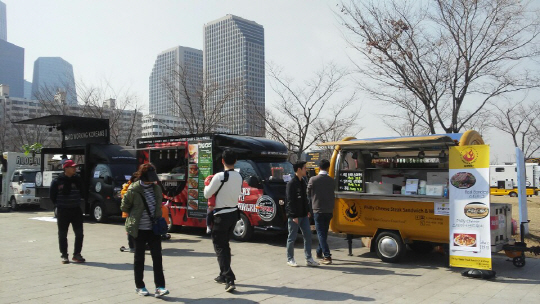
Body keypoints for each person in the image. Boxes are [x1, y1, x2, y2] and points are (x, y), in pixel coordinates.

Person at [121, 163, 169, 298]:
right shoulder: (133, 189)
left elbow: (158, 205)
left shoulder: (156, 188)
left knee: (157, 258)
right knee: (139, 258)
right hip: (139, 229)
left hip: (154, 229)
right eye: (149, 177)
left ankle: (160, 287)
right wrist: (136, 214)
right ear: (143, 176)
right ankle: (140, 286)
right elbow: (124, 207)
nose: (152, 180)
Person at [203, 149, 242, 292]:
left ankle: (229, 277)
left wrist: (206, 184)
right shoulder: (239, 176)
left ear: (222, 161)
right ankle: (222, 274)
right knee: (225, 245)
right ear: (236, 161)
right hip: (233, 214)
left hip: (221, 215)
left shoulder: (219, 176)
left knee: (219, 246)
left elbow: (207, 194)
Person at [50, 159, 86, 264]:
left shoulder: (77, 180)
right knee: (62, 234)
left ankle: (77, 254)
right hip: (63, 211)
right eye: (72, 167)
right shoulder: (57, 181)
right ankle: (64, 255)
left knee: (79, 234)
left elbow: (83, 192)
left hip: (76, 210)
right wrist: (59, 205)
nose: (75, 169)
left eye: (75, 167)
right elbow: (52, 196)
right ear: (66, 168)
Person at [285, 161, 319, 267]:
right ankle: (290, 258)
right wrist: (293, 215)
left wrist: (308, 210)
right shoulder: (291, 184)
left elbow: (305, 199)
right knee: (292, 237)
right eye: (304, 168)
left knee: (308, 236)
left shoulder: (303, 181)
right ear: (299, 169)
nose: (306, 170)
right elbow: (289, 201)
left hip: (304, 215)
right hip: (295, 216)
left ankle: (308, 258)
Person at [307, 159, 335, 265]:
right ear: (328, 168)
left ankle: (327, 256)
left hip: (318, 209)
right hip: (328, 210)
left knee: (320, 233)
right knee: (324, 232)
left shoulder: (313, 179)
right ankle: (319, 252)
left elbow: (307, 193)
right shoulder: (331, 180)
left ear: (319, 168)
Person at [120, 172, 139, 253]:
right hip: (130, 212)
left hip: (135, 211)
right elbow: (123, 194)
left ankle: (136, 245)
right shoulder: (129, 186)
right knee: (130, 229)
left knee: (135, 229)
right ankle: (132, 246)